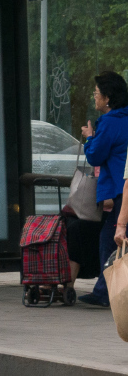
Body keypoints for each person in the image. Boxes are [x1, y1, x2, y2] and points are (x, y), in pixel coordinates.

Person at [79, 71, 128, 307]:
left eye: (97, 93)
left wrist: (90, 137)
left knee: (111, 239)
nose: (94, 97)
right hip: (121, 188)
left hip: (121, 188)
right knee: (110, 238)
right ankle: (104, 290)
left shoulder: (109, 122)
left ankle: (105, 292)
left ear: (107, 98)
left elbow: (95, 155)